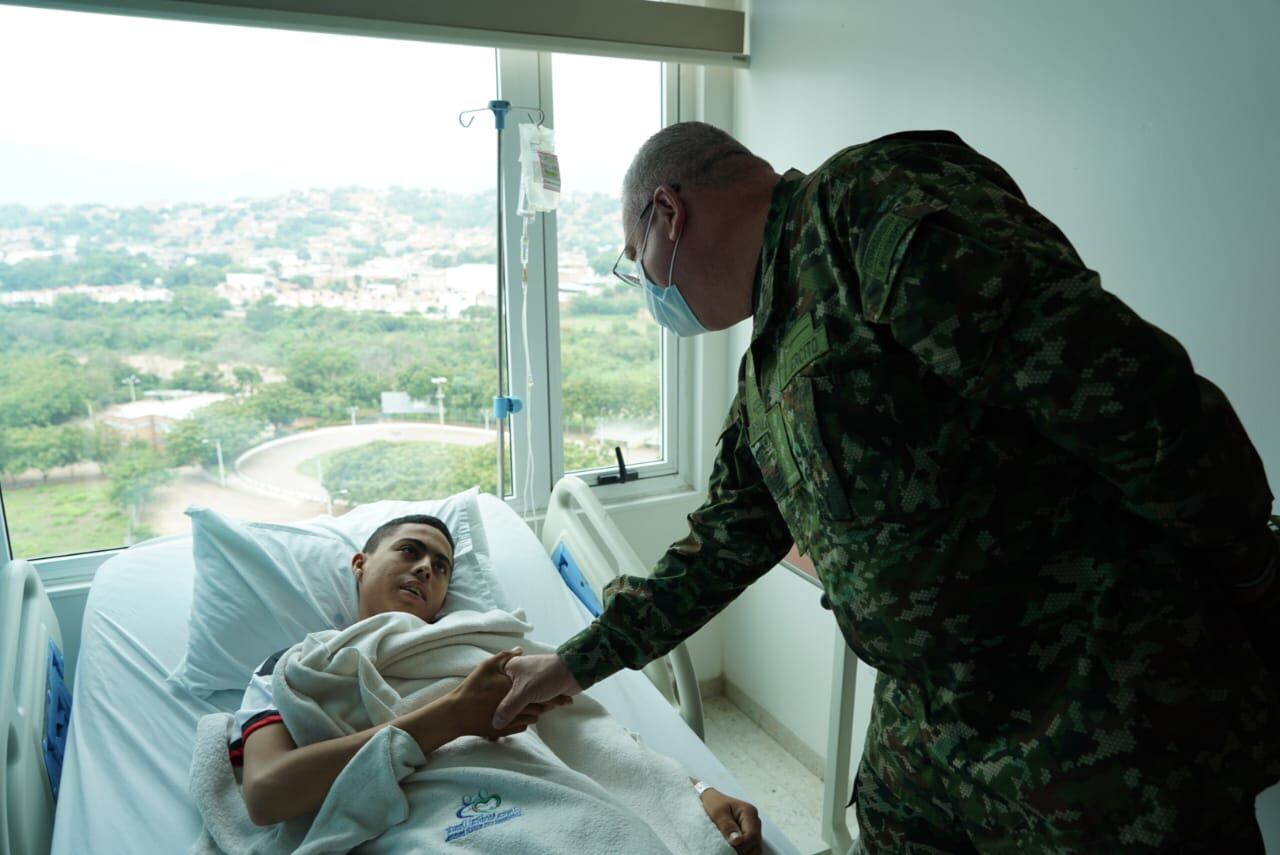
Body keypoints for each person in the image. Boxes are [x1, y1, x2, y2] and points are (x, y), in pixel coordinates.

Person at [493, 122, 1280, 852]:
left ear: (669, 211)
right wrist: (573, 663)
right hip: (933, 712)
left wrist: (1252, 575)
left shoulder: (861, 212)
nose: (649, 291)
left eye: (637, 258)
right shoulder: (765, 375)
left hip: (1087, 698)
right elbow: (721, 545)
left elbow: (1126, 392)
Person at [232, 512, 762, 852]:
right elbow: (267, 793)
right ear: (360, 563)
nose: (424, 570)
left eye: (440, 567)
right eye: (409, 551)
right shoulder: (296, 665)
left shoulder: (485, 648)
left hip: (561, 813)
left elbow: (591, 739)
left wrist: (692, 791)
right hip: (431, 828)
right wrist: (451, 716)